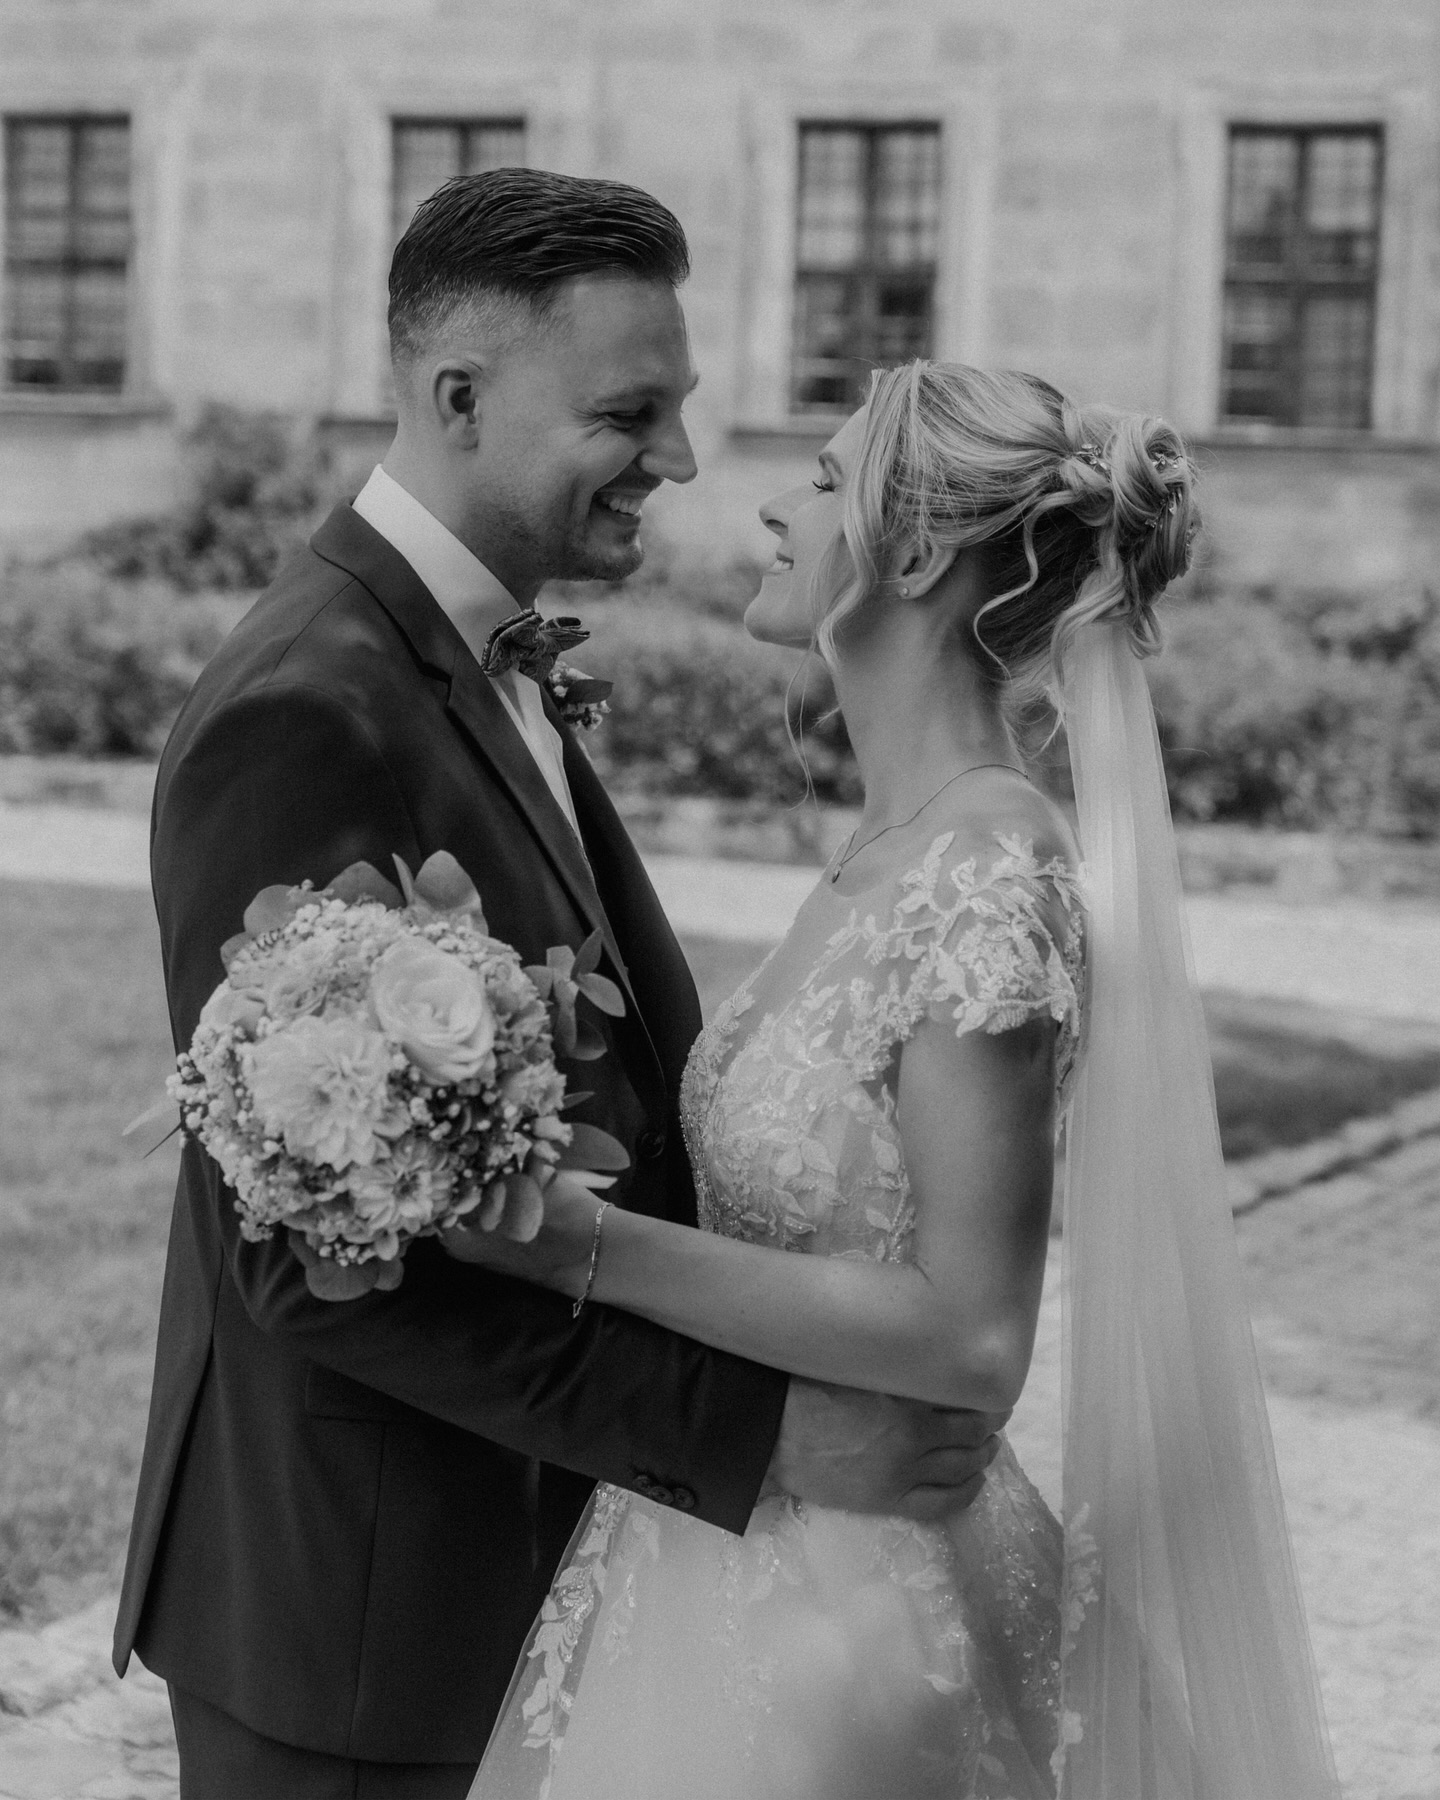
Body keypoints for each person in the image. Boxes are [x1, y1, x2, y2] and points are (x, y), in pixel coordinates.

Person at [113, 172, 1006, 1799]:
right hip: (366, 1621)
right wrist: (759, 1437)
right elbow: (306, 1263)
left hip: (545, 1579)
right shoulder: (307, 712)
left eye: (679, 406)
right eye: (628, 413)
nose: (680, 459)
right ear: (461, 396)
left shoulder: (486, 658)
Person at [452, 363, 1340, 1799]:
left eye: (821, 482)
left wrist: (585, 1246)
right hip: (730, 1540)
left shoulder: (990, 869)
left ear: (916, 557)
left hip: (861, 1625)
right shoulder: (893, 845)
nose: (772, 508)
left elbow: (973, 1335)